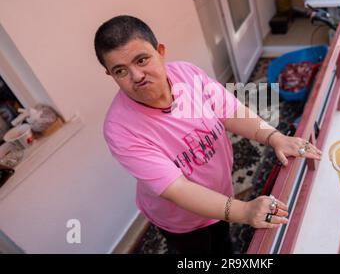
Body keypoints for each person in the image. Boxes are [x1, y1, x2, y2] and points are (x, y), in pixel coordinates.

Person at [95, 15, 322, 254]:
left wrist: (274, 137)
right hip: (182, 222)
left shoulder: (186, 74)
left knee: (224, 244)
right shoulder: (120, 129)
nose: (137, 76)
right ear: (111, 75)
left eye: (142, 60)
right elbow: (178, 189)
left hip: (221, 192)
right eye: (121, 71)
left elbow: (231, 111)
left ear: (160, 51)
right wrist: (244, 211)